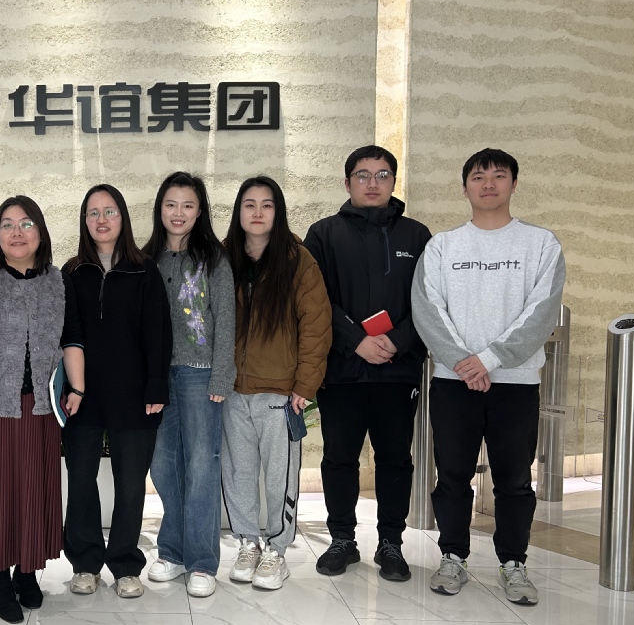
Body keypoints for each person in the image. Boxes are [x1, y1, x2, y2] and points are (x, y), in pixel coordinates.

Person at [412, 148, 565, 605]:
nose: (489, 184)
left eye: (499, 176)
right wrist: (464, 361)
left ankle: (513, 563)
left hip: (515, 383)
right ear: (465, 188)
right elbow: (427, 308)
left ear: (514, 184)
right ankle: (452, 557)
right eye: (478, 177)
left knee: (514, 480)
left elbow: (542, 311)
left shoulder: (540, 244)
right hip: (453, 381)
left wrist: (491, 359)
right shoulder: (443, 246)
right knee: (452, 476)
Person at [0, 196, 86, 623]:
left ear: (40, 232)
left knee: (34, 489)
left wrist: (77, 388)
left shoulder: (57, 281)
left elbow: (72, 336)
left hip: (41, 408)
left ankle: (27, 572)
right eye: (7, 225)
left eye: (26, 224)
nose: (16, 232)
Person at [304, 145, 432, 581]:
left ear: (393, 181)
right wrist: (356, 341)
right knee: (339, 458)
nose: (372, 183)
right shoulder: (323, 234)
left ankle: (391, 543)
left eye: (382, 175)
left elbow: (429, 302)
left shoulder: (417, 236)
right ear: (347, 183)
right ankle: (342, 539)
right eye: (362, 175)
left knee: (395, 459)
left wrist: (396, 340)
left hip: (398, 370)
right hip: (342, 370)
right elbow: (315, 301)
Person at [221, 177, 331, 590]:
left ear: (278, 212)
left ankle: (277, 551)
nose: (257, 212)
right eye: (249, 204)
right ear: (239, 212)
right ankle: (247, 543)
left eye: (267, 205)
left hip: (280, 393)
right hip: (231, 391)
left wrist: (304, 386)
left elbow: (316, 327)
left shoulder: (298, 261)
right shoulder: (224, 258)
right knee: (238, 473)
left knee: (279, 477)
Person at [62, 185, 171, 599]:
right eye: (93, 213)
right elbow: (66, 334)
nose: (101, 220)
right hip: (82, 395)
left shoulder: (144, 270)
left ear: (123, 218)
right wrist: (71, 386)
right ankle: (85, 563)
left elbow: (158, 332)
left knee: (130, 485)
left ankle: (125, 564)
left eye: (109, 211)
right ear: (84, 221)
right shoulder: (72, 272)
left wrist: (156, 384)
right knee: (81, 479)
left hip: (134, 394)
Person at [143, 172, 235, 598]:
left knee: (201, 465)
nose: (178, 213)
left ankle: (201, 560)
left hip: (201, 374)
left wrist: (222, 374)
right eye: (171, 204)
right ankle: (172, 551)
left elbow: (226, 318)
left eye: (187, 205)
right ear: (160, 209)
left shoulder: (214, 259)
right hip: (158, 378)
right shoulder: (147, 258)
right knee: (163, 464)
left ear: (200, 212)